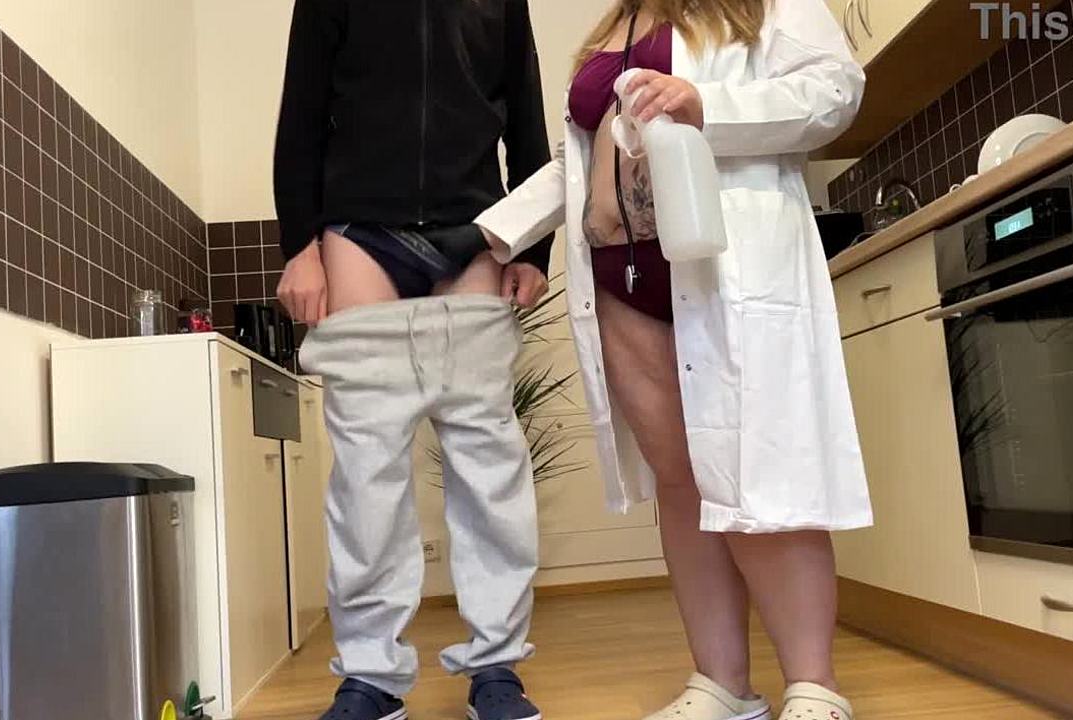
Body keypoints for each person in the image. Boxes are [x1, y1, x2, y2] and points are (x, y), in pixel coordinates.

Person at [475, 1, 871, 719]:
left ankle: (814, 685)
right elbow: (575, 160)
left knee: (759, 473)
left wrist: (706, 105)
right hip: (621, 281)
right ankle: (723, 684)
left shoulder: (766, 6)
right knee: (681, 481)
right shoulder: (614, 28)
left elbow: (834, 91)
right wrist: (491, 236)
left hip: (724, 268)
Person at [272, 2, 555, 719]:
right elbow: (300, 116)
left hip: (475, 231)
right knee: (367, 476)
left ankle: (496, 665)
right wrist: (299, 246)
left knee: (489, 469)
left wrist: (534, 248)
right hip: (361, 232)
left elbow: (525, 118)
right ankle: (371, 674)